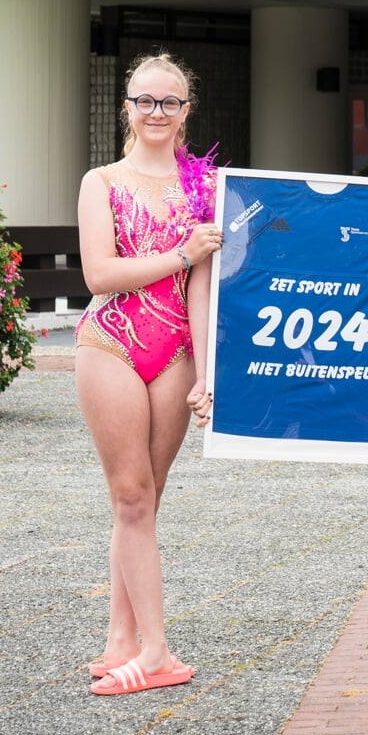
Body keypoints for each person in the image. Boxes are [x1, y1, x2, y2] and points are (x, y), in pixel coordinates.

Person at [75, 53, 224, 695]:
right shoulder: (102, 181)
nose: (156, 112)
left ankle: (119, 640)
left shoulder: (207, 186)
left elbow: (203, 284)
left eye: (169, 102)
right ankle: (157, 651)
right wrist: (179, 252)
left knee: (145, 500)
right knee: (131, 496)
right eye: (145, 101)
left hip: (176, 350)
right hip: (111, 341)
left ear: (186, 111)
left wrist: (206, 373)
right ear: (126, 107)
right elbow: (100, 275)